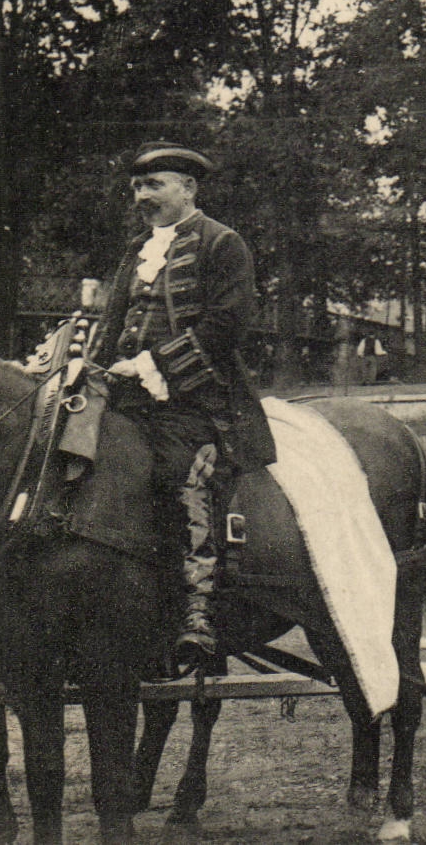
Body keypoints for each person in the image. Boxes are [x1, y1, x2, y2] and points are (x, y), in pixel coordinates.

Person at [88, 142, 277, 672]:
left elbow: (226, 326)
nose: (142, 197)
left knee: (180, 477)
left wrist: (152, 365)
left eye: (154, 186)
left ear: (188, 189)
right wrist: (90, 367)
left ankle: (197, 613)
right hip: (126, 393)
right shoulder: (136, 249)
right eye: (136, 188)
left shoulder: (223, 243)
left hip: (198, 398)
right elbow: (112, 325)